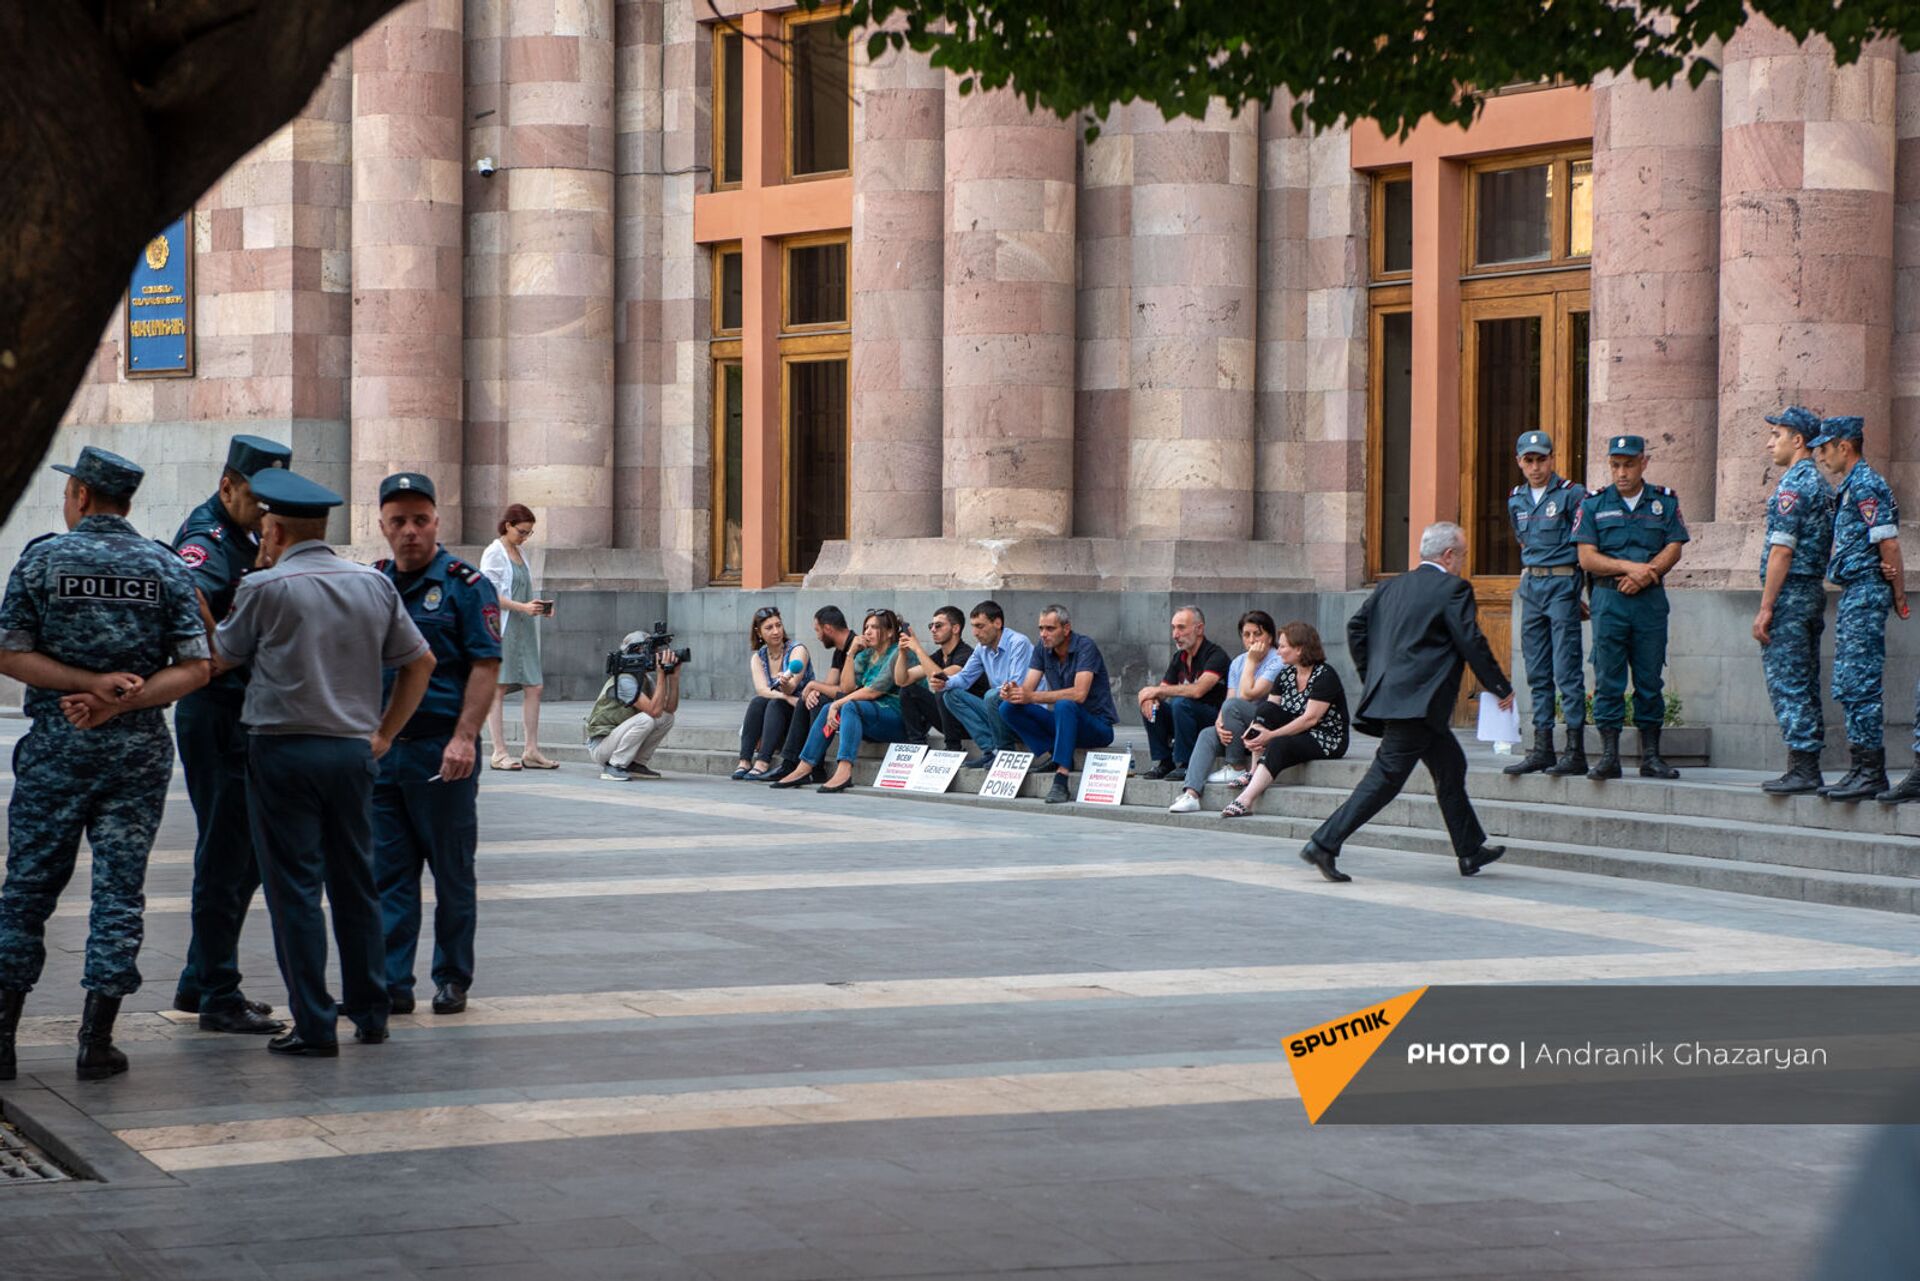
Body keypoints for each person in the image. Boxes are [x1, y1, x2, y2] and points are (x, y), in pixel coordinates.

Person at [0, 448, 211, 1082]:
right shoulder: (165, 567)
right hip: (137, 754)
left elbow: (9, 653)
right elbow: (199, 665)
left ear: (83, 496)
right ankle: (96, 1042)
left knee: (26, 892)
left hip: (57, 749)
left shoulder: (42, 560)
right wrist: (123, 698)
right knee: (119, 895)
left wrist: (89, 688)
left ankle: (3, 1039)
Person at [212, 468, 436, 1057]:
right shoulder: (373, 584)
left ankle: (314, 1024)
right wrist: (385, 733)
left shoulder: (266, 587)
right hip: (352, 751)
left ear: (276, 530)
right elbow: (420, 662)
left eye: (265, 528)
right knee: (357, 884)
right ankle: (371, 1010)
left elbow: (219, 658)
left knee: (296, 893)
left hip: (283, 751)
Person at [1298, 523, 1512, 883]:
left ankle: (1470, 849)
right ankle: (1324, 842)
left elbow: (1355, 628)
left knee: (1451, 767)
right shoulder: (1453, 588)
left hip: (1409, 703)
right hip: (1419, 705)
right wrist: (1499, 686)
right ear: (1448, 555)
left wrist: (1376, 677)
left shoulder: (1390, 586)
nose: (1462, 562)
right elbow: (1470, 640)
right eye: (1461, 555)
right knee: (1385, 779)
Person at [169, 433, 292, 1035]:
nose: (266, 511)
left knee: (241, 856)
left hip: (237, 713)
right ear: (228, 485)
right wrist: (224, 652)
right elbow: (190, 596)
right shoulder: (208, 536)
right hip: (215, 713)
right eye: (257, 498)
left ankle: (201, 977)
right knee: (225, 855)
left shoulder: (243, 533)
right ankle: (218, 992)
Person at [372, 473, 501, 1019]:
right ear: (382, 526)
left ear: (436, 523)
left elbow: (485, 664)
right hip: (383, 753)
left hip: (441, 752)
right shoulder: (372, 583)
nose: (410, 532)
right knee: (388, 874)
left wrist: (466, 738)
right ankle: (391, 981)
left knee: (451, 873)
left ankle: (451, 977)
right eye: (398, 521)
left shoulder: (465, 585)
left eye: (420, 520)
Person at [1573, 435, 1690, 781]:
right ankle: (1609, 756)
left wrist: (1647, 574)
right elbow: (1587, 557)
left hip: (1649, 601)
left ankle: (1651, 756)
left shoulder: (1663, 502)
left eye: (1628, 464)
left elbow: (1674, 546)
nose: (1621, 472)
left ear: (1644, 463)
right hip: (1609, 600)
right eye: (1615, 465)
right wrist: (1629, 569)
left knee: (1649, 678)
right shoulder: (1594, 504)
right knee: (1609, 678)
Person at [1808, 415, 1907, 801]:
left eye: (1824, 447)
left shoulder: (1866, 485)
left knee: (1861, 682)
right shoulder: (1852, 486)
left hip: (1866, 592)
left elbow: (1889, 544)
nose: (1820, 455)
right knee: (1850, 682)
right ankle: (1860, 767)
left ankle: (1871, 771)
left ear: (1843, 446)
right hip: (1855, 590)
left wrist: (1898, 594)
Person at [1752, 407, 1836, 796]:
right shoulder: (1819, 483)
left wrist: (1767, 606)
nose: (1770, 443)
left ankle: (1803, 766)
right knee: (1803, 679)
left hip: (1790, 593)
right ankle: (1804, 764)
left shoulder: (1792, 487)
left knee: (1788, 680)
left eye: (1777, 435)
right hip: (1810, 592)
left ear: (1797, 440)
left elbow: (1781, 552)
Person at [1503, 430, 1589, 777]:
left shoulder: (1571, 494)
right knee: (1537, 670)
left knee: (1566, 669)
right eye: (1529, 460)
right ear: (1519, 463)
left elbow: (1584, 543)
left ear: (1552, 459)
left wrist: (1578, 589)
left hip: (1562, 581)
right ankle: (1542, 748)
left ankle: (1575, 749)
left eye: (1541, 459)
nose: (1535, 467)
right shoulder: (1516, 499)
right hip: (1532, 583)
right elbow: (1523, 541)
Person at [1217, 622, 1350, 818]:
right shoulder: (1286, 674)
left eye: (1282, 646)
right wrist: (1255, 731)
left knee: (1279, 743)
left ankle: (1245, 800)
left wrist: (1270, 736)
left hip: (1327, 737)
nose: (1278, 652)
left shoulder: (1325, 675)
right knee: (1267, 710)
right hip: (1298, 729)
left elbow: (1310, 719)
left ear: (1299, 648)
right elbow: (1269, 711)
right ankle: (1254, 771)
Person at [772, 609, 904, 793]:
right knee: (828, 709)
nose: (867, 632)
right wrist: (851, 653)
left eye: (874, 627)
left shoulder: (898, 653)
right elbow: (847, 688)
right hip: (874, 715)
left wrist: (837, 704)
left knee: (847, 706)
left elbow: (872, 691)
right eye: (866, 627)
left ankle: (844, 770)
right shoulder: (866, 655)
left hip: (899, 719)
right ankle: (804, 766)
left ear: (890, 632)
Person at [999, 604, 1121, 805]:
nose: (1043, 634)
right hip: (1063, 723)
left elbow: (1079, 694)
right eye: (1040, 628)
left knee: (1065, 704)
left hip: (1097, 728)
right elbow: (1028, 689)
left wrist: (1032, 697)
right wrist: (1013, 691)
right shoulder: (1042, 648)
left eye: (1050, 628)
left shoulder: (1085, 646)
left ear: (1066, 629)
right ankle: (1055, 753)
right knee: (1008, 708)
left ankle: (1061, 777)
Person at [1168, 611, 1285, 813]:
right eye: (1246, 635)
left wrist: (1252, 661)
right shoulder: (1238, 662)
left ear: (1270, 636)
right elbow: (1229, 698)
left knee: (1234, 707)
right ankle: (1191, 794)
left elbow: (1249, 694)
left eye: (1257, 634)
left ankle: (1236, 766)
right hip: (1239, 727)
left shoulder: (1277, 660)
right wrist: (1220, 724)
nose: (1251, 640)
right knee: (1207, 734)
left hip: (1266, 724)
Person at [481, 504, 556, 770]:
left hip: (523, 625)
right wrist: (522, 607)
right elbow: (488, 595)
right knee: (498, 688)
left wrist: (536, 607)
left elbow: (521, 590)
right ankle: (499, 752)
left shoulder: (520, 553)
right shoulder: (494, 553)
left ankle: (531, 750)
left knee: (534, 686)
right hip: (504, 627)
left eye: (529, 533)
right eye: (522, 531)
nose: (524, 537)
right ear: (508, 525)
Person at [1137, 606, 1231, 780]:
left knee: (1180, 702)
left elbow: (1198, 690)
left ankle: (1186, 763)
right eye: (1173, 628)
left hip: (1213, 721)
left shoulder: (1216, 655)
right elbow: (1162, 692)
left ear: (1199, 629)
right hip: (1185, 719)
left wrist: (1156, 690)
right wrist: (1150, 699)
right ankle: (1165, 761)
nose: (1175, 634)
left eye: (1181, 627)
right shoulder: (1178, 657)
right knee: (1152, 707)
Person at [942, 599, 1037, 770]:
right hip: (1000, 709)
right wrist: (944, 681)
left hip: (1026, 711)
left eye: (980, 626)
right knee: (950, 694)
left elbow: (1017, 685)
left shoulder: (1018, 642)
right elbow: (964, 678)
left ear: (997, 623)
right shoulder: (981, 648)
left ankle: (1005, 752)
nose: (975, 633)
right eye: (973, 626)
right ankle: (990, 750)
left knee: (991, 695)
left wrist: (998, 693)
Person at [767, 605, 853, 784]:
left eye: (818, 630)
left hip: (856, 701)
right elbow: (830, 684)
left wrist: (814, 685)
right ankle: (790, 762)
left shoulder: (856, 647)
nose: (818, 636)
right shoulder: (840, 649)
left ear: (828, 629)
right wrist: (814, 690)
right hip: (844, 698)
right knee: (809, 698)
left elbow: (846, 690)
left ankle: (814, 765)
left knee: (819, 701)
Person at [588, 635, 683, 781]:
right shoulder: (624, 680)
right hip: (602, 745)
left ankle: (635, 764)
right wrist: (661, 675)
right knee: (646, 719)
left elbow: (668, 709)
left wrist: (673, 678)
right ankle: (615, 766)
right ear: (638, 651)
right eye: (654, 651)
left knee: (667, 718)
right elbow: (654, 711)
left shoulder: (644, 678)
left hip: (616, 737)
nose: (657, 655)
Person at [733, 605, 809, 780]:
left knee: (775, 703)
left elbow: (793, 685)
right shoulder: (758, 657)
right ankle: (744, 760)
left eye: (778, 625)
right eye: (769, 628)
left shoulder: (797, 650)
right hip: (779, 707)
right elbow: (761, 690)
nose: (776, 631)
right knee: (757, 702)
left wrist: (785, 686)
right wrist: (785, 696)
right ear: (759, 633)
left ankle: (763, 761)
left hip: (799, 710)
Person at [894, 606, 984, 749]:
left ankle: (953, 748)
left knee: (943, 688)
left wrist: (918, 649)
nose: (933, 630)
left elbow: (942, 679)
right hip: (949, 721)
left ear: (955, 629)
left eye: (939, 625)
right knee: (908, 690)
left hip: (972, 722)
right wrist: (903, 653)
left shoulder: (967, 654)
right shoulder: (938, 656)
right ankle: (917, 745)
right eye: (931, 626)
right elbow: (902, 680)